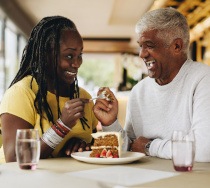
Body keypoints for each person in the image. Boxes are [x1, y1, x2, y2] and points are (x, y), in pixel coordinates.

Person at [93, 7, 210, 162]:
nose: (142, 54)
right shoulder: (139, 91)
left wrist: (150, 147)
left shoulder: (203, 79)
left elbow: (204, 150)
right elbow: (131, 147)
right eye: (141, 46)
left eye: (150, 45)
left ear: (177, 46)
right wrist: (110, 124)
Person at [0, 16, 98, 162]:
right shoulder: (21, 93)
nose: (77, 63)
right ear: (46, 55)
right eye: (69, 55)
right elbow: (15, 157)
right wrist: (62, 127)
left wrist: (82, 145)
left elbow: (93, 143)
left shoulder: (83, 96)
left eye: (80, 55)